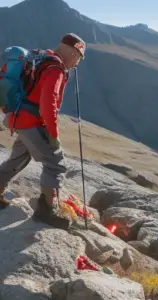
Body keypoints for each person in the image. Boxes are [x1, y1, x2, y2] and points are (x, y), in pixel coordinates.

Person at [0, 33, 86, 229]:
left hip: (17, 118)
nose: (76, 64)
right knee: (56, 164)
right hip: (32, 122)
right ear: (73, 52)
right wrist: (53, 135)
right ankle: (47, 211)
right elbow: (48, 104)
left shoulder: (40, 59)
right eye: (78, 59)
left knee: (19, 158)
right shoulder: (55, 68)